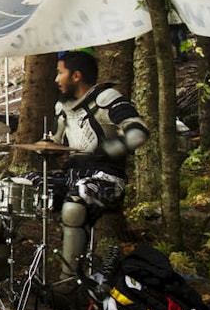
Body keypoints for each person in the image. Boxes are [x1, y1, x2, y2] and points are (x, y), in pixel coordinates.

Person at [36, 50, 150, 277]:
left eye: (60, 73)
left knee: (74, 204)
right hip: (72, 174)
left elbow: (139, 132)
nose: (56, 79)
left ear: (76, 75)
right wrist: (44, 147)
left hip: (106, 177)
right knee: (22, 185)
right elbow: (56, 142)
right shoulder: (63, 107)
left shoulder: (105, 98)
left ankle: (67, 282)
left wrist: (111, 150)